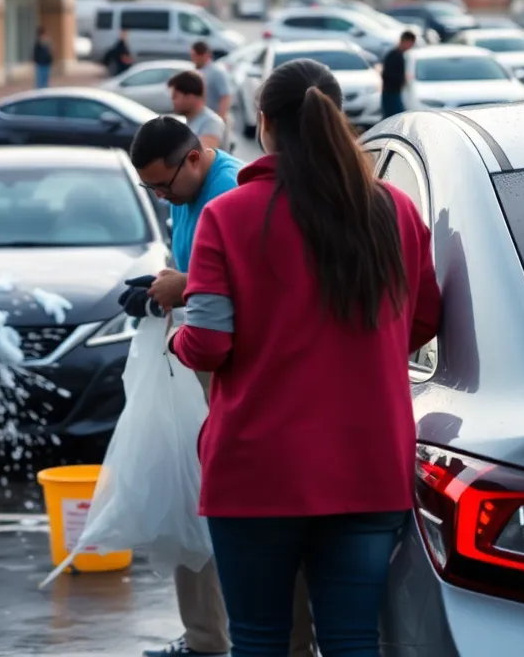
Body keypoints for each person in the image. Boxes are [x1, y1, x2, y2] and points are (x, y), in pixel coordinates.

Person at [169, 59, 442, 657]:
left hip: (257, 472)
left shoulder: (228, 216)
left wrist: (175, 340)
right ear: (337, 117)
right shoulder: (392, 210)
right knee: (353, 640)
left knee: (262, 640)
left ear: (263, 123)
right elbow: (424, 319)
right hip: (369, 466)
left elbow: (208, 344)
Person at [122, 117, 318, 657]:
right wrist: (166, 285)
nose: (161, 197)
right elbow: (196, 271)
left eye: (163, 186)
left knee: (233, 509)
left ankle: (261, 638)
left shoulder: (230, 194)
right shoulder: (183, 194)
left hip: (233, 368)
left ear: (194, 158)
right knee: (193, 493)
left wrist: (182, 291)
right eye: (150, 190)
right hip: (204, 355)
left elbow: (248, 293)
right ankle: (207, 636)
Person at [167, 71, 226, 151]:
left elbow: (200, 157)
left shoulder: (211, 123)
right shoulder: (189, 122)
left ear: (190, 97)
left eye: (175, 96)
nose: (172, 100)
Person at [189, 41, 233, 149]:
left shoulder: (216, 72)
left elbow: (226, 96)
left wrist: (220, 120)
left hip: (214, 121)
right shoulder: (197, 71)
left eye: (195, 55)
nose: (193, 58)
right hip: (202, 120)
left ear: (204, 55)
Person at [381, 30, 416, 119]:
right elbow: (386, 74)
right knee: (394, 119)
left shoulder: (400, 55)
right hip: (391, 93)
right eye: (411, 43)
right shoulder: (393, 55)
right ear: (405, 41)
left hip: (396, 92)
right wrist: (402, 78)